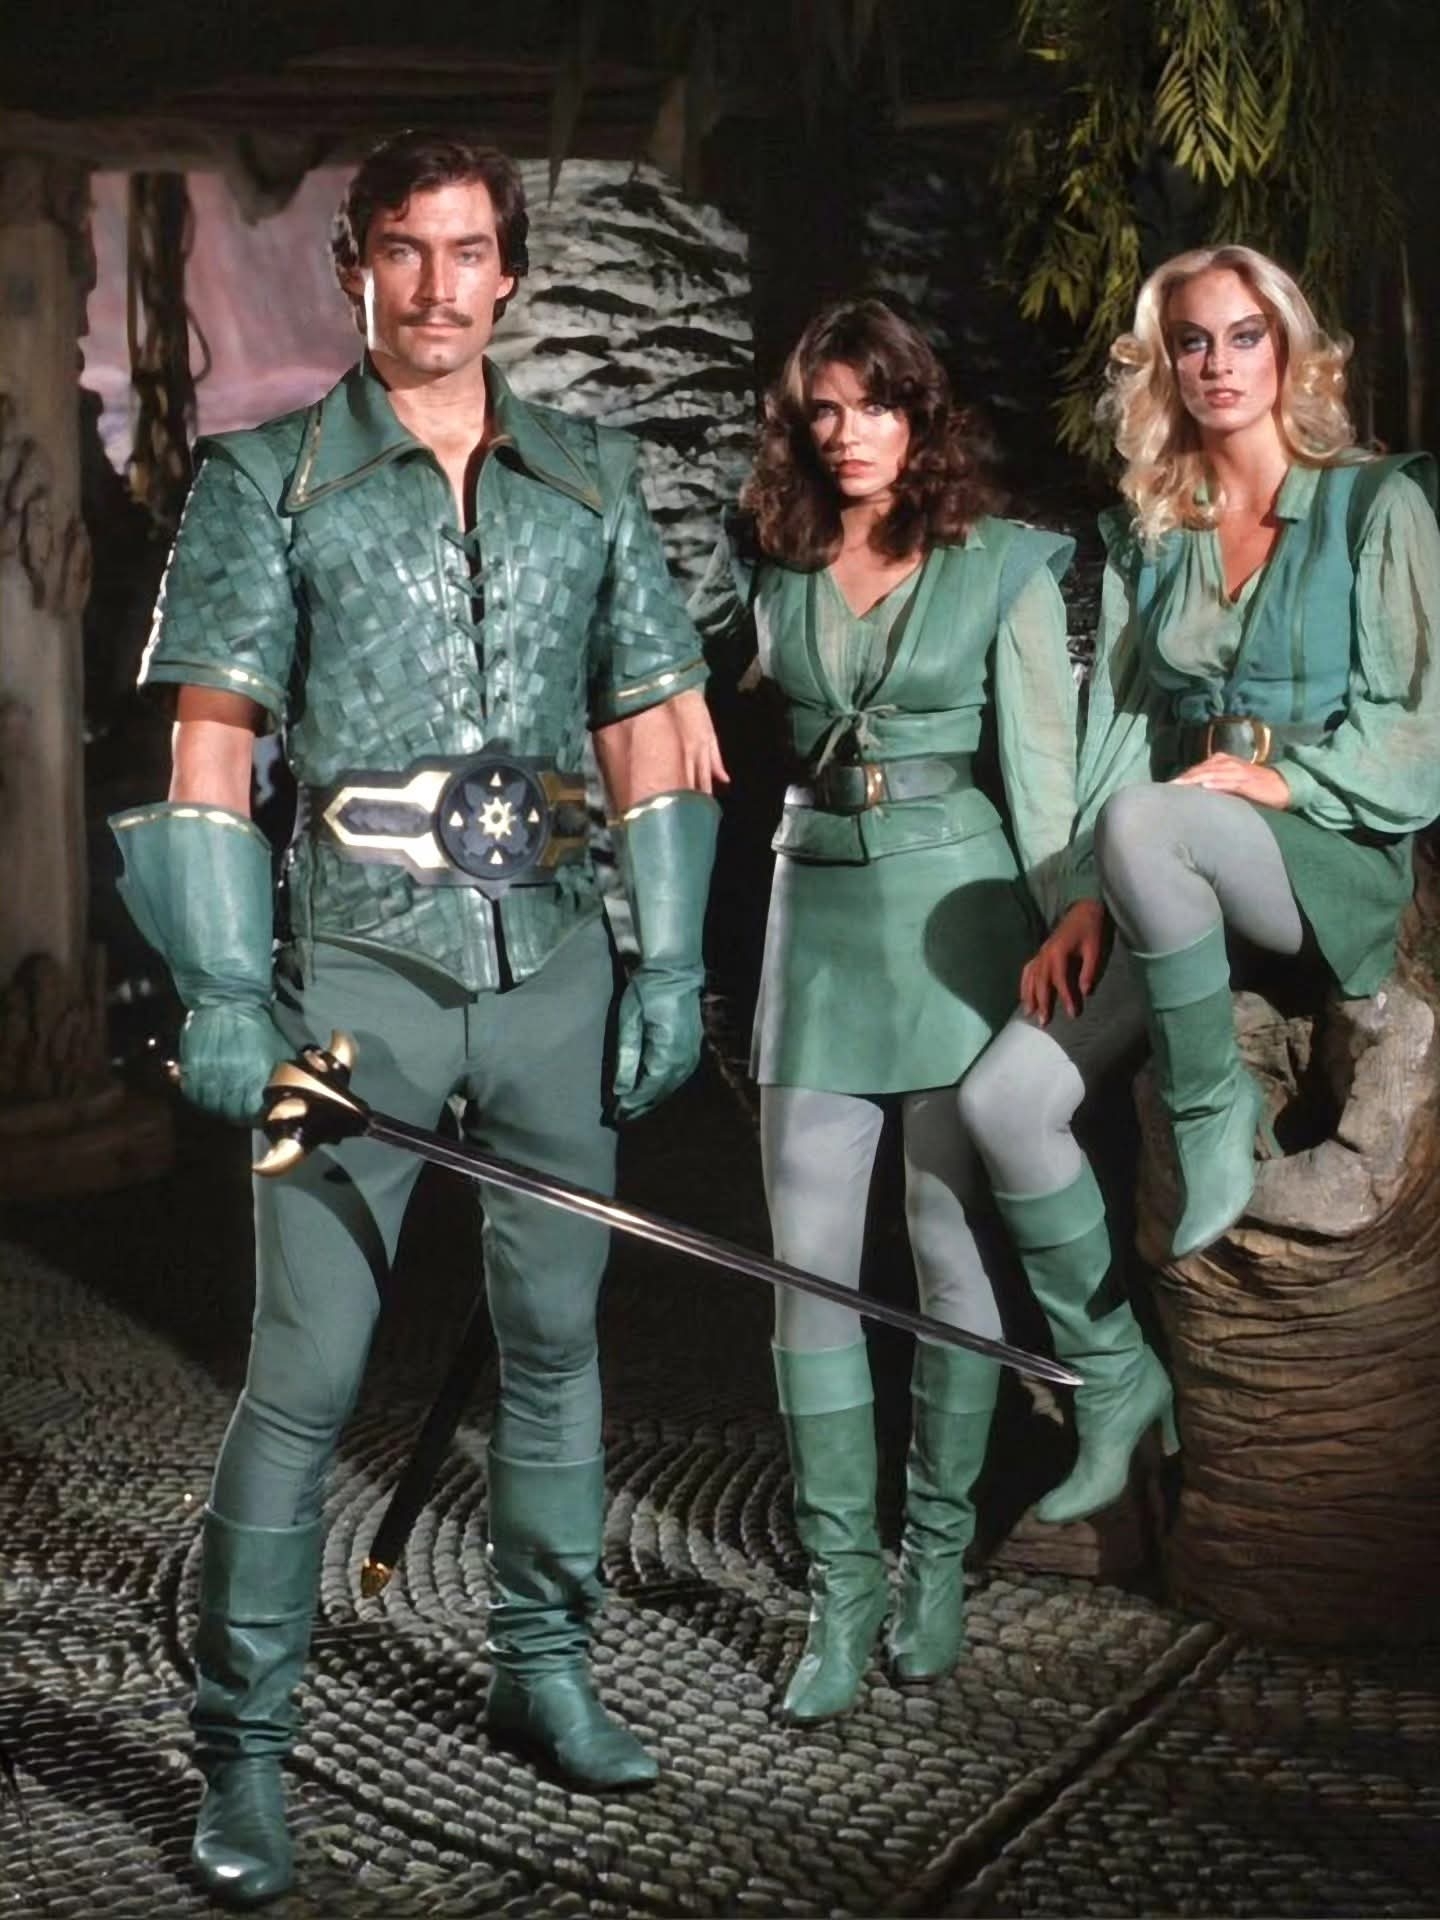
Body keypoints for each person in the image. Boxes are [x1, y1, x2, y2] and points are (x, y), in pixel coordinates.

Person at [109, 131, 726, 1909]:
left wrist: (669, 964)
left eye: (469, 252)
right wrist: (228, 993)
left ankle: (546, 1668)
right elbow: (213, 743)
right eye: (406, 249)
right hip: (353, 986)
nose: (440, 286)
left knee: (557, 1341)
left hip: (555, 967)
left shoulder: (592, 475)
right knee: (304, 1373)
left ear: (509, 271)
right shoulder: (267, 481)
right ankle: (243, 1750)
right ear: (355, 267)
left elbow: (648, 725)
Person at [958, 243, 1440, 1523]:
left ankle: (1210, 1111)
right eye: (1191, 342)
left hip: (1323, 854)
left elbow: (1418, 729)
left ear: (1289, 349)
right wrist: (1082, 893)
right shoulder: (1160, 529)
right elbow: (1127, 733)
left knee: (1156, 820)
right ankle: (1116, 1380)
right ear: (1164, 365)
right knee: (1004, 1101)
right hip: (1172, 864)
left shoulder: (1375, 504)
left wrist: (1279, 782)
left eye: (1243, 336)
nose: (1218, 364)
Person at [691, 297, 1087, 1722]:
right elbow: (674, 694)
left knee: (946, 1255)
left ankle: (933, 1561)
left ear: (922, 414)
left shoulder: (1003, 563)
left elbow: (1043, 772)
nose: (849, 433)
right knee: (806, 1268)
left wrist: (1067, 926)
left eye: (876, 405)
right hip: (814, 919)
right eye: (825, 409)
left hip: (961, 919)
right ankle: (841, 1589)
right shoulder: (766, 558)